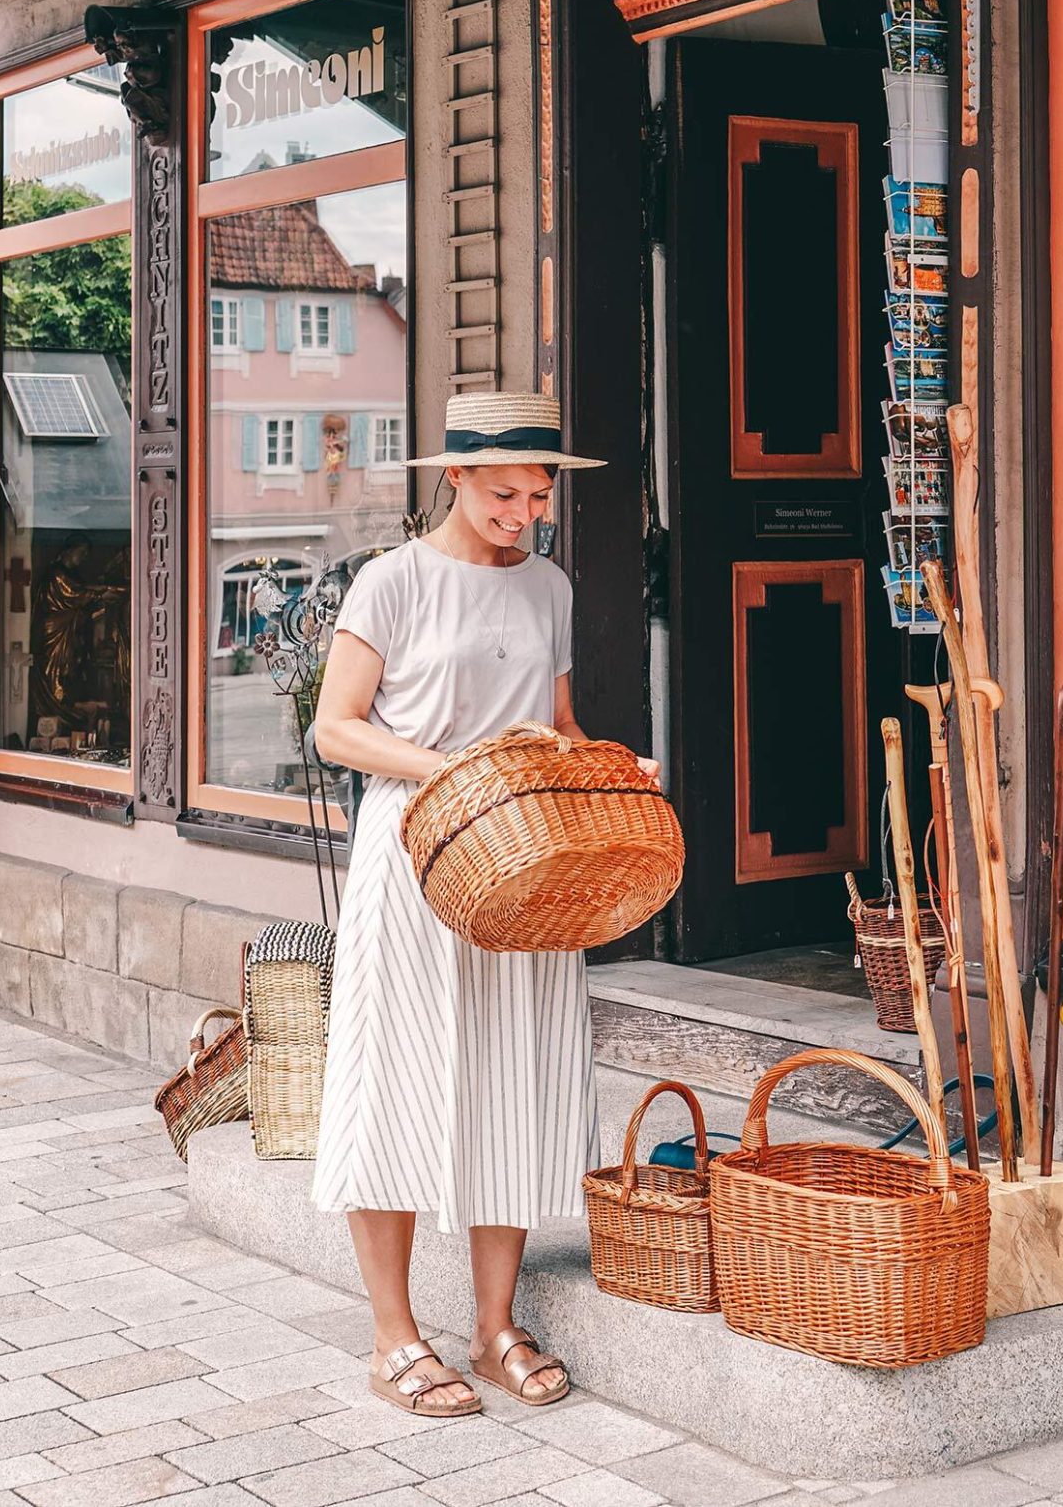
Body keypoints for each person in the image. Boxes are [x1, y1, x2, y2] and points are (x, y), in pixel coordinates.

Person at [311, 391, 657, 1418]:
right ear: (452, 476)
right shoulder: (393, 581)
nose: (525, 508)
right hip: (415, 855)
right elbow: (336, 728)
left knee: (508, 1083)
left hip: (524, 867)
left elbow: (550, 720)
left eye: (539, 491)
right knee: (393, 1089)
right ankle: (393, 1337)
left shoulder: (547, 586)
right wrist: (449, 771)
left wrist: (599, 766)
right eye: (504, 490)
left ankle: (494, 1323)